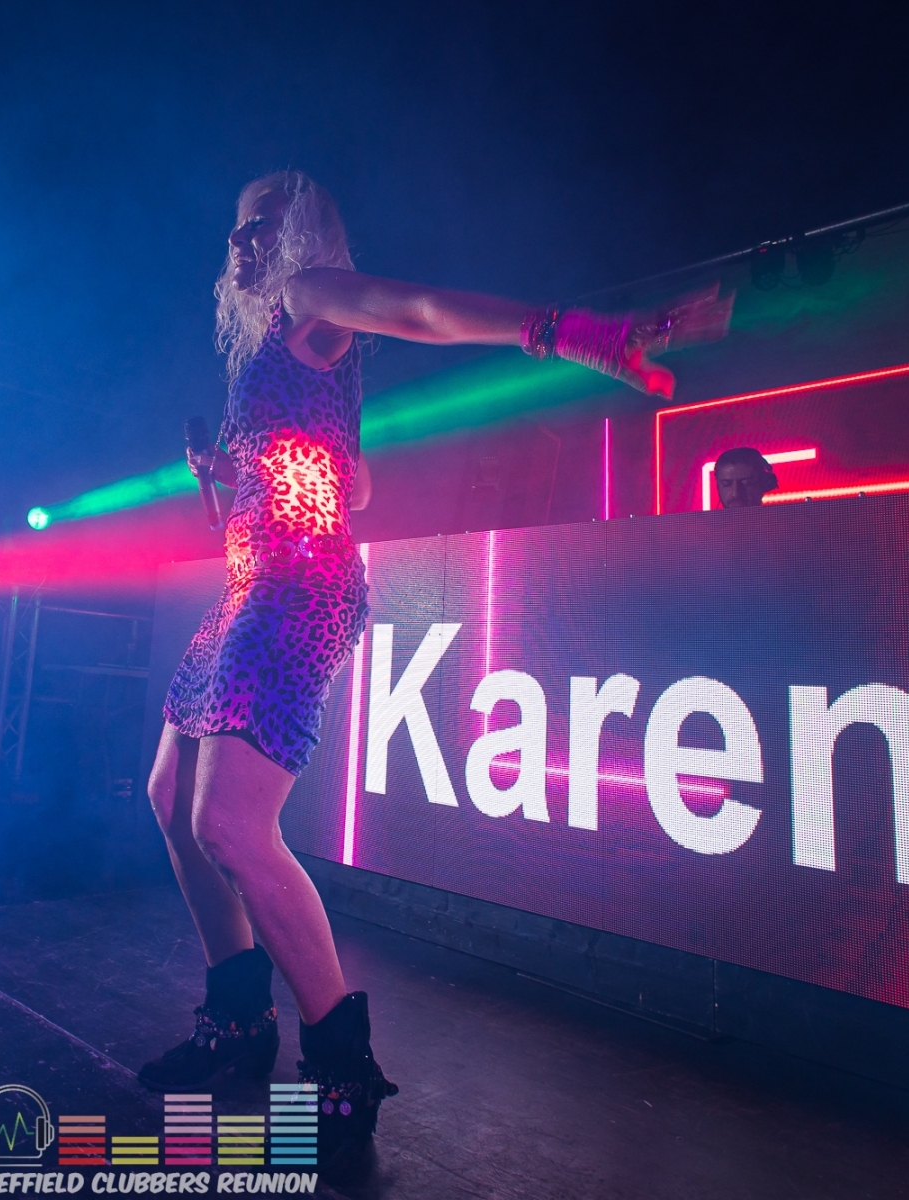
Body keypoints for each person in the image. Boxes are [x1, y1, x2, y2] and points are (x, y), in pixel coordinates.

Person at [143, 169, 731, 1169]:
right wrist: (235, 475)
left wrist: (573, 332)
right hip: (249, 586)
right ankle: (237, 1020)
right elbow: (357, 481)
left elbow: (416, 309)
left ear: (302, 232)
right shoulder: (285, 343)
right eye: (236, 227)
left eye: (263, 224)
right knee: (170, 797)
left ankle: (342, 1074)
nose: (243, 241)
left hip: (295, 589)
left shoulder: (314, 292)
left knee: (228, 825)